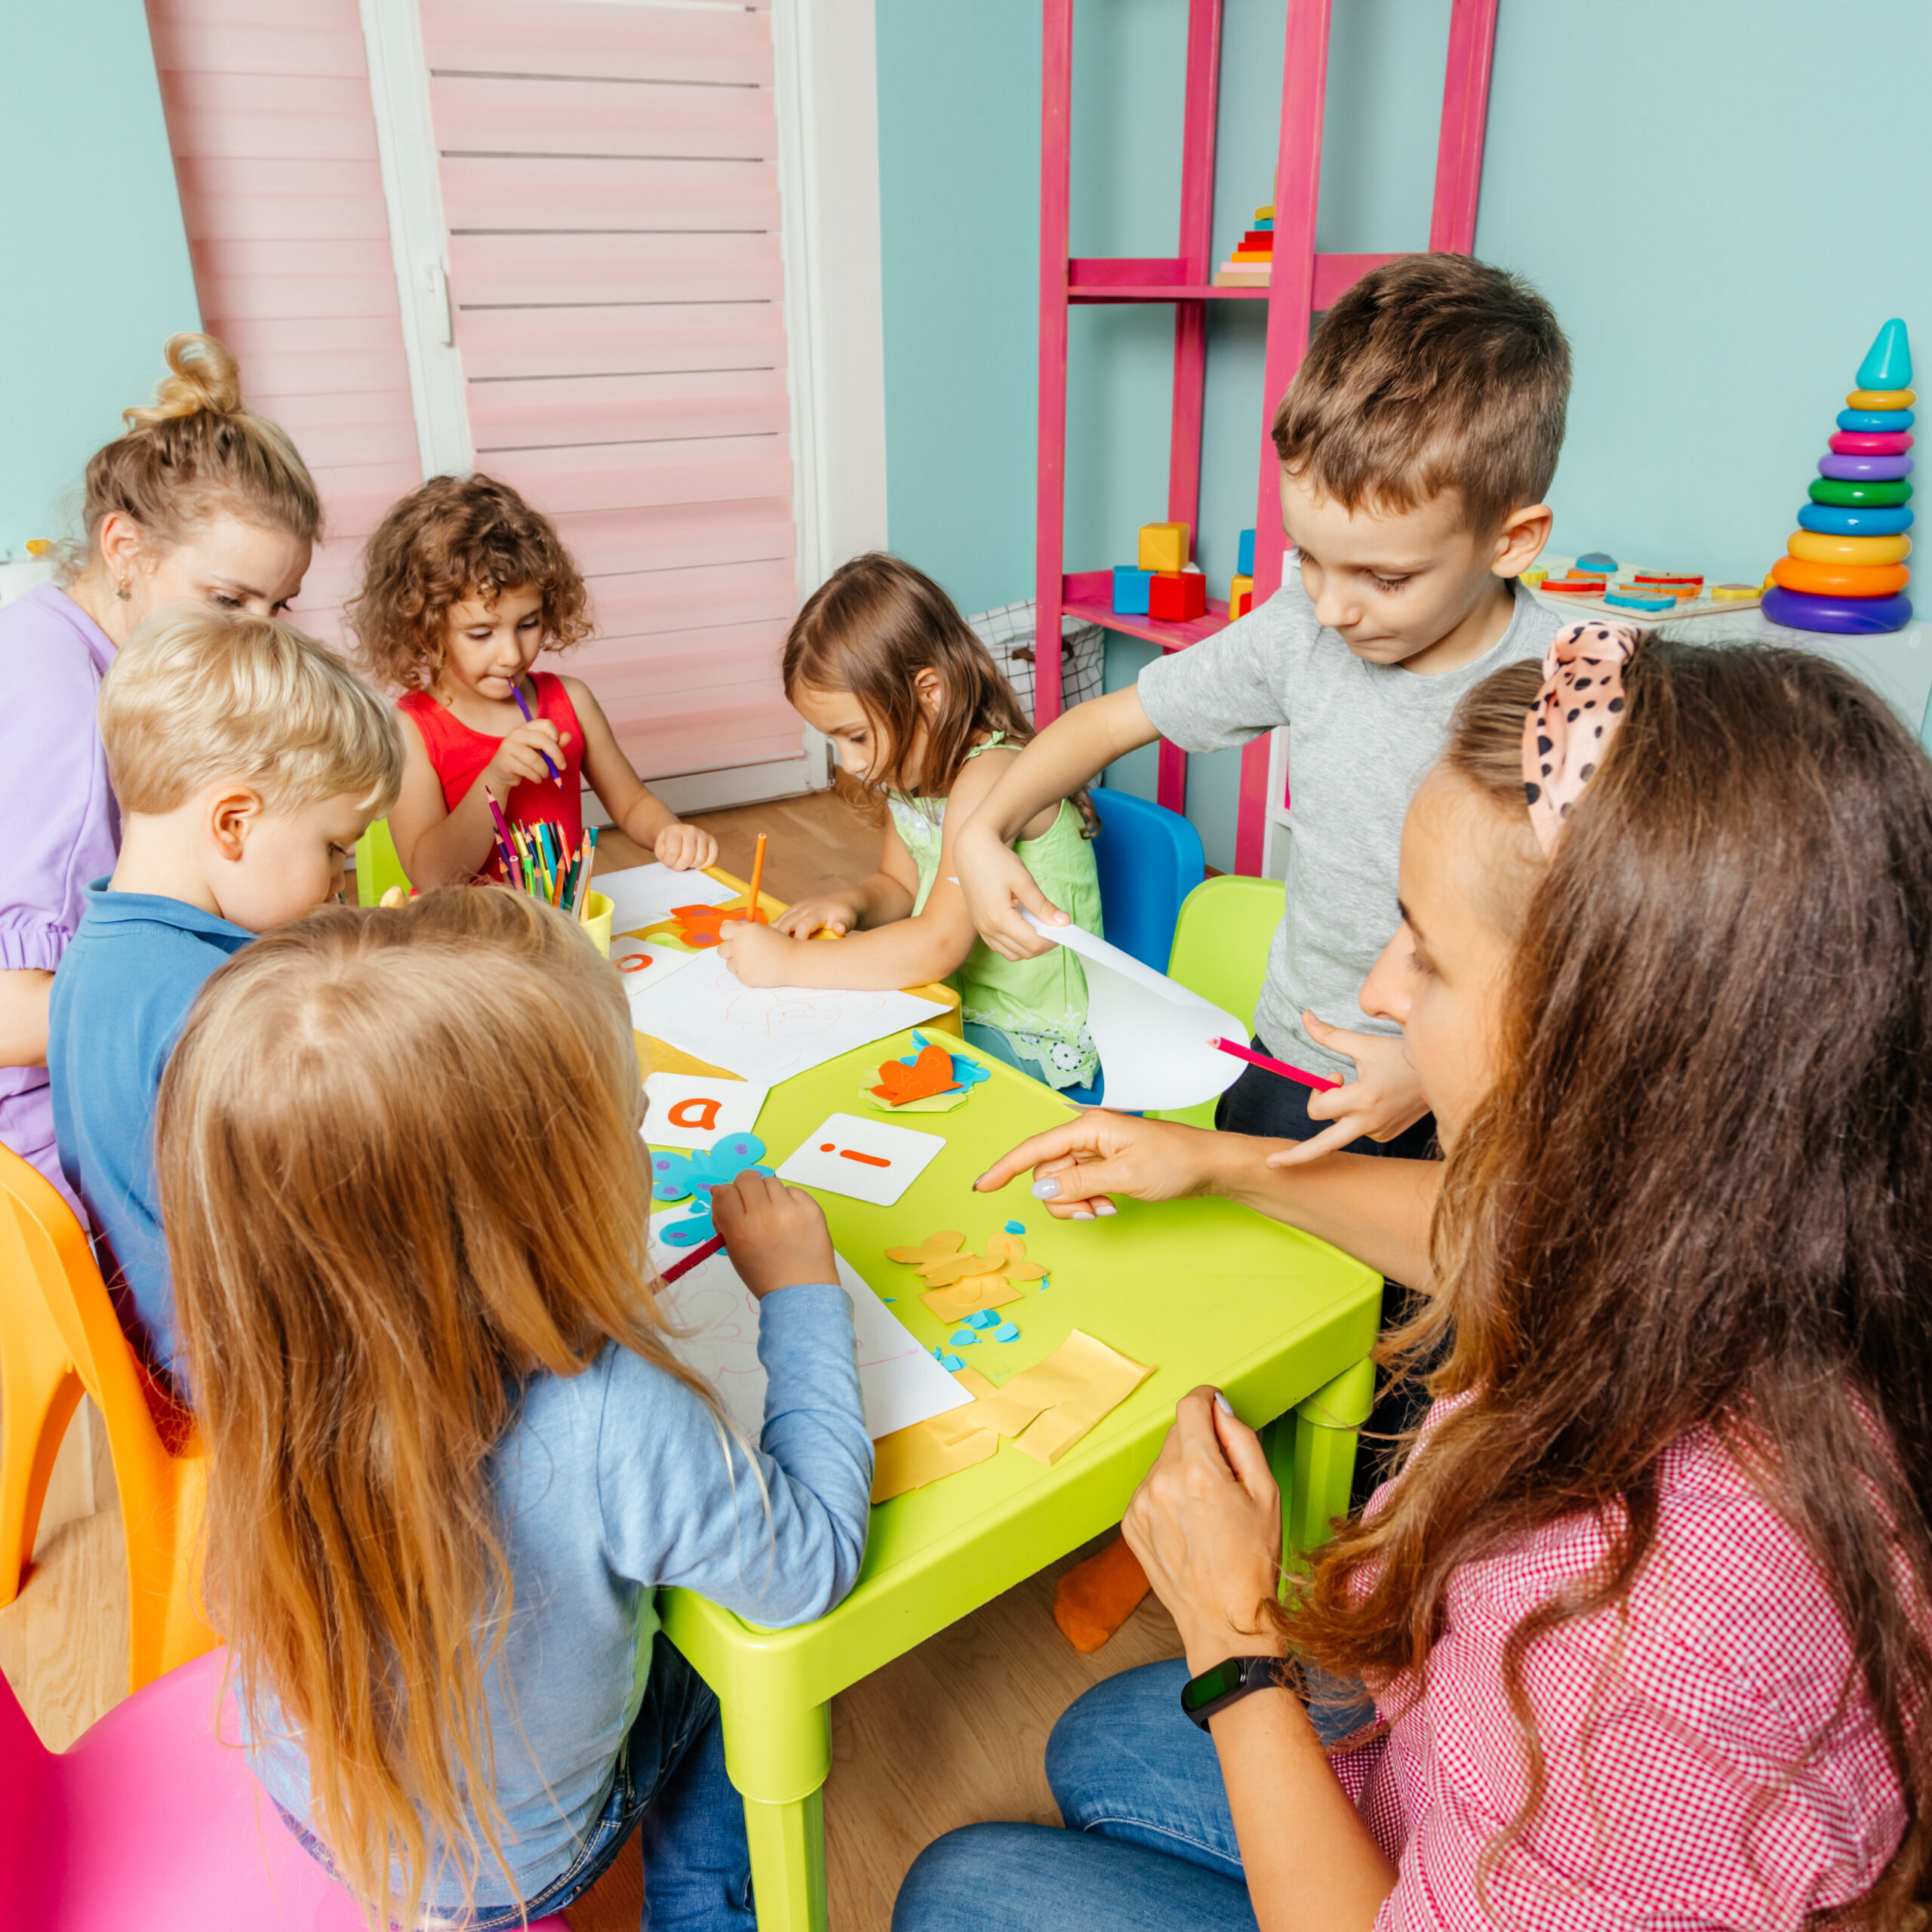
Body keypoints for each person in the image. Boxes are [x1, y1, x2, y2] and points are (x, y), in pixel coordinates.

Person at [898, 628, 1932, 1930]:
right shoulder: (1760, 1225)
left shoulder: (1647, 1625)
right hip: (1456, 1778)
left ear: (1609, 1048)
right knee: (1099, 1743)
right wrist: (1221, 1162)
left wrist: (1229, 1641)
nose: (1382, 991)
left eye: (1429, 958)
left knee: (959, 1891)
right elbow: (1482, 1232)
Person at [159, 887, 872, 1929]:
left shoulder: (273, 1362)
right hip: (516, 1867)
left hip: (318, 1804)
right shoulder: (611, 1417)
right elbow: (810, 1567)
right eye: (629, 1127)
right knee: (731, 1661)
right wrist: (806, 1298)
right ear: (525, 1214)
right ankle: (702, 1906)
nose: (642, 1152)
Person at [954, 253, 1571, 1158]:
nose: (1331, 606)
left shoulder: (1576, 688)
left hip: (1474, 1096)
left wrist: (1443, 1070)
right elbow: (1103, 723)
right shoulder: (1299, 631)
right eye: (1308, 557)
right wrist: (983, 829)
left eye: (1384, 576)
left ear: (1511, 541)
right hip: (1294, 1061)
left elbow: (1591, 954)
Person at [0, 332, 319, 1216]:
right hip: (53, 1157)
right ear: (125, 548)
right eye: (228, 601)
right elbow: (9, 1010)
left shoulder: (105, 653)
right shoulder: (64, 701)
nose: (257, 635)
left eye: (276, 606)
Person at [45, 609, 401, 1394]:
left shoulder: (98, 954)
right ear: (234, 823)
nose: (340, 881)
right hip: (262, 1380)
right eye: (334, 848)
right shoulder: (215, 1007)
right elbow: (328, 1214)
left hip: (175, 1348)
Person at [717, 552, 1103, 1091]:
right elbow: (899, 885)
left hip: (1025, 1035)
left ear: (929, 692)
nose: (849, 764)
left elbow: (937, 944)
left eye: (856, 736)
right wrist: (852, 901)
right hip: (946, 1005)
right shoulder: (914, 779)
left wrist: (789, 963)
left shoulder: (989, 776)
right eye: (833, 741)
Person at [352, 472, 718, 888]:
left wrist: (669, 833)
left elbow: (632, 803)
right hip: (463, 939)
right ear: (424, 627)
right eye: (481, 634)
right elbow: (435, 876)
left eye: (528, 624)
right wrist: (497, 779)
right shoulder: (412, 731)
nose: (512, 655)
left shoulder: (571, 701)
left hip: (559, 927)